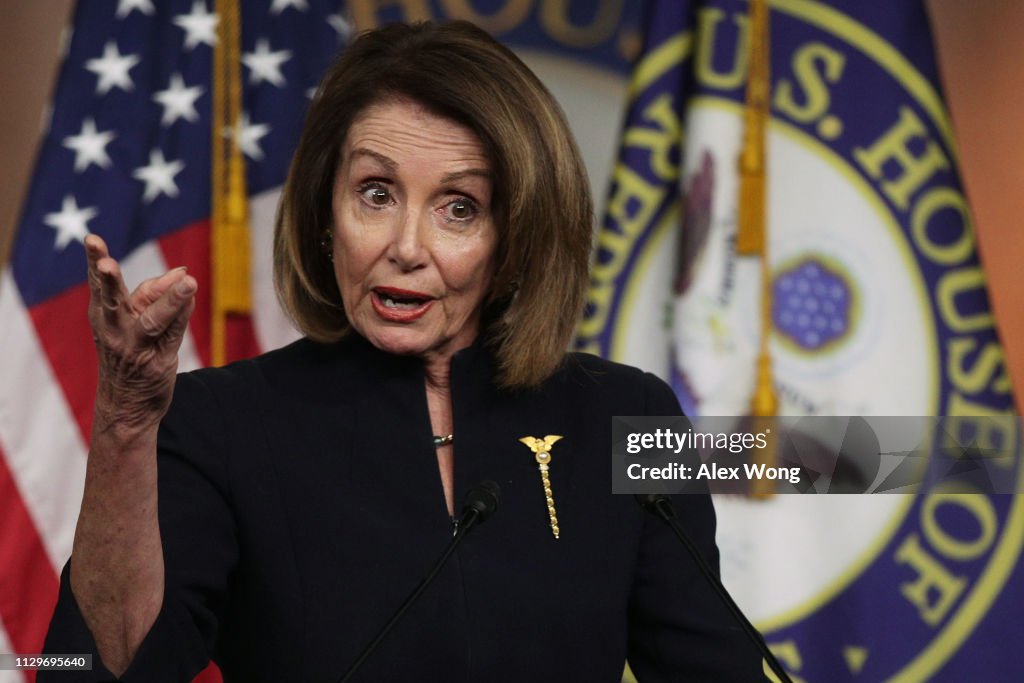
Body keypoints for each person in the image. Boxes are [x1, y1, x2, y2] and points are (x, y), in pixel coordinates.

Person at [43, 20, 766, 682]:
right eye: (376, 192)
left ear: (516, 238)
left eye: (459, 207)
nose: (407, 248)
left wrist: (864, 453)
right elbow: (81, 668)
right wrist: (126, 425)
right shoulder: (220, 423)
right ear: (326, 210)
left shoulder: (628, 413)